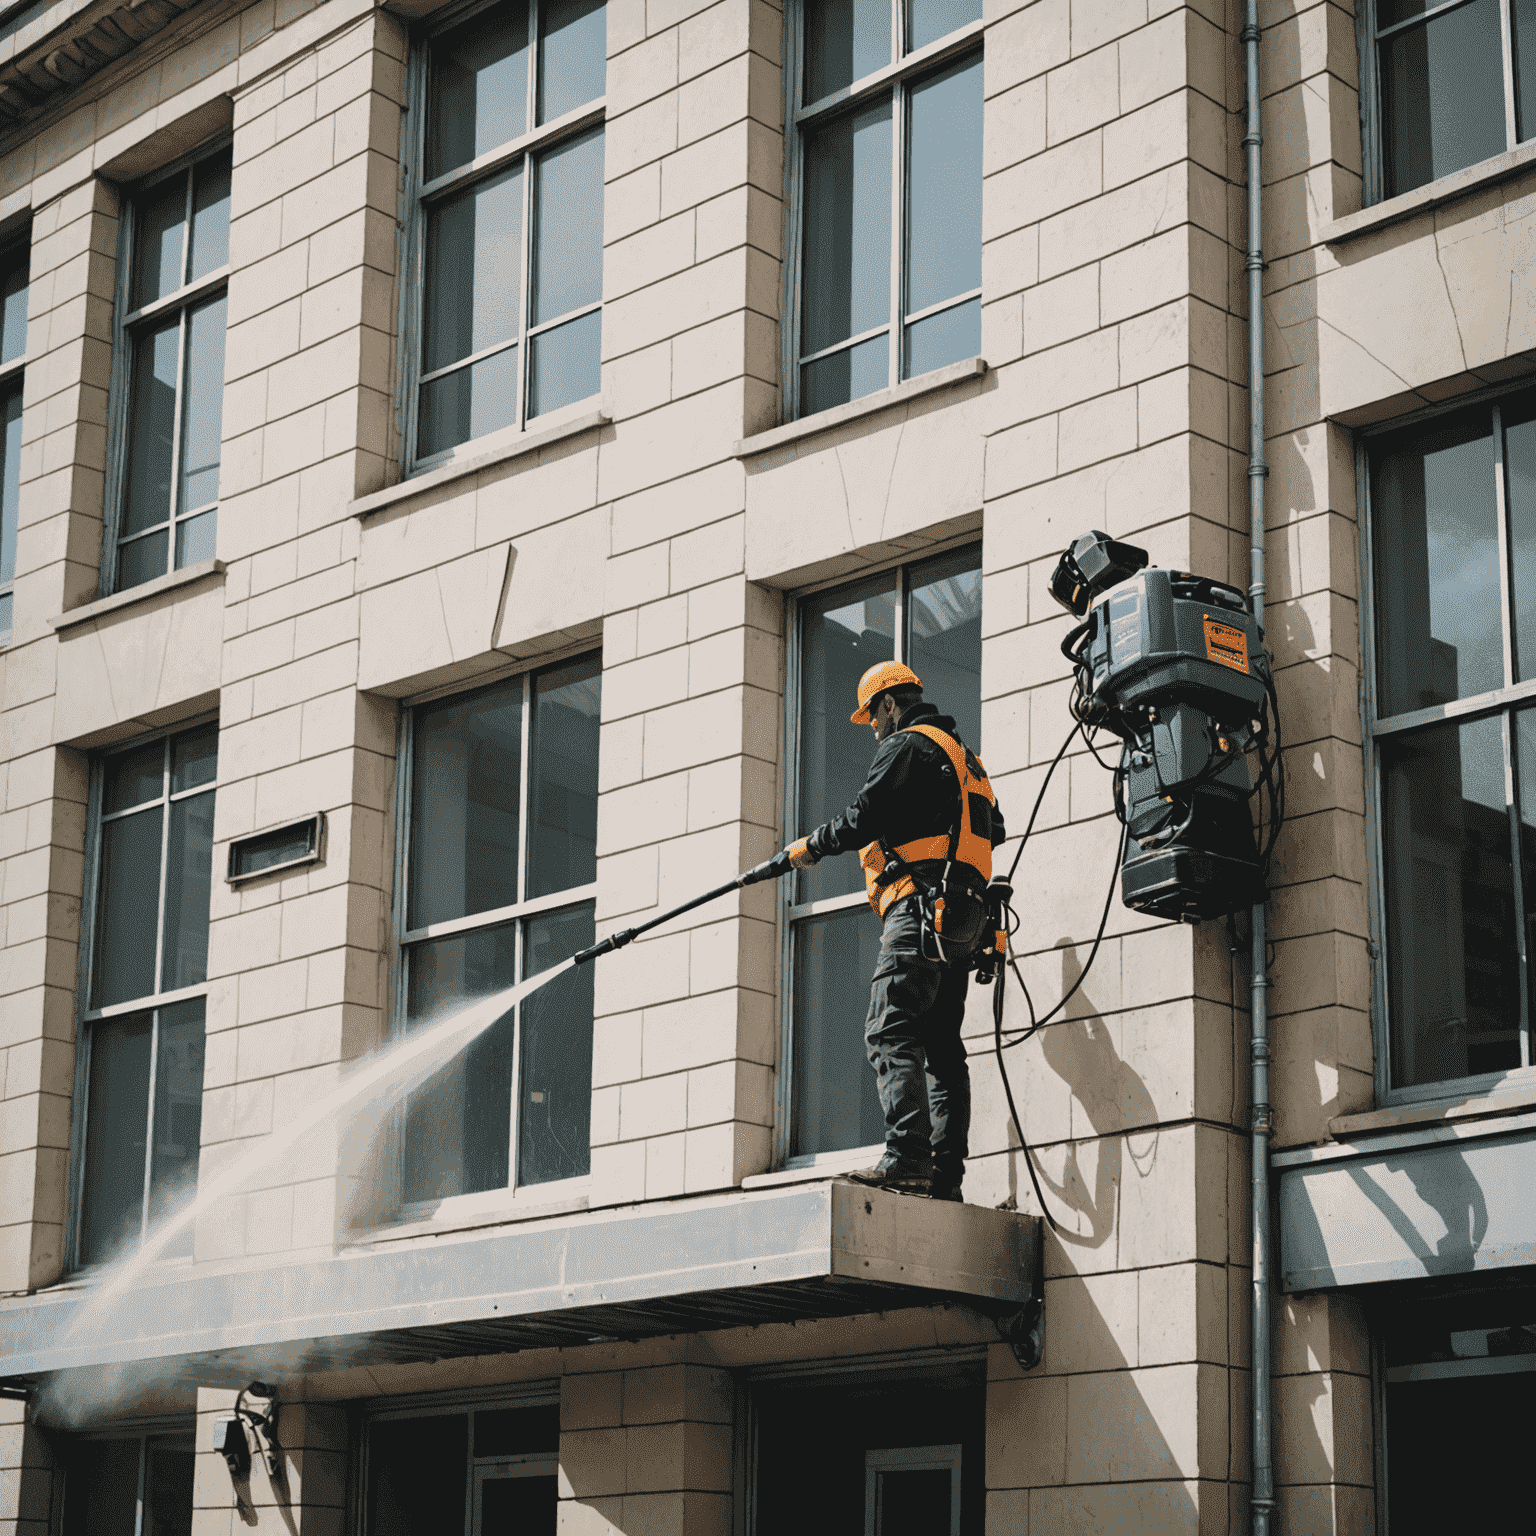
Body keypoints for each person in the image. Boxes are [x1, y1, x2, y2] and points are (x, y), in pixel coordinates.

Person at [783, 661, 1006, 1202]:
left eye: (873, 719)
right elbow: (992, 833)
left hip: (920, 907)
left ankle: (907, 1155)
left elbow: (865, 816)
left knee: (889, 1027)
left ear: (889, 704)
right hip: (960, 921)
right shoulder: (967, 762)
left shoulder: (907, 745)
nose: (874, 731)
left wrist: (813, 845)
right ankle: (945, 1178)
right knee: (943, 1049)